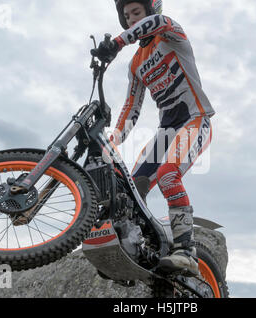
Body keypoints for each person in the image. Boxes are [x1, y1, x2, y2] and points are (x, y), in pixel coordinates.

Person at [91, 0, 215, 277]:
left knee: (169, 173)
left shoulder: (172, 33)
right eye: (126, 16)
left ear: (150, 10)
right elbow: (131, 107)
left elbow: (159, 23)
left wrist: (119, 41)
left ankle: (187, 252)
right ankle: (137, 247)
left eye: (137, 13)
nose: (132, 19)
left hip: (195, 120)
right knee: (131, 189)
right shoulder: (136, 64)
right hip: (166, 130)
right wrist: (114, 140)